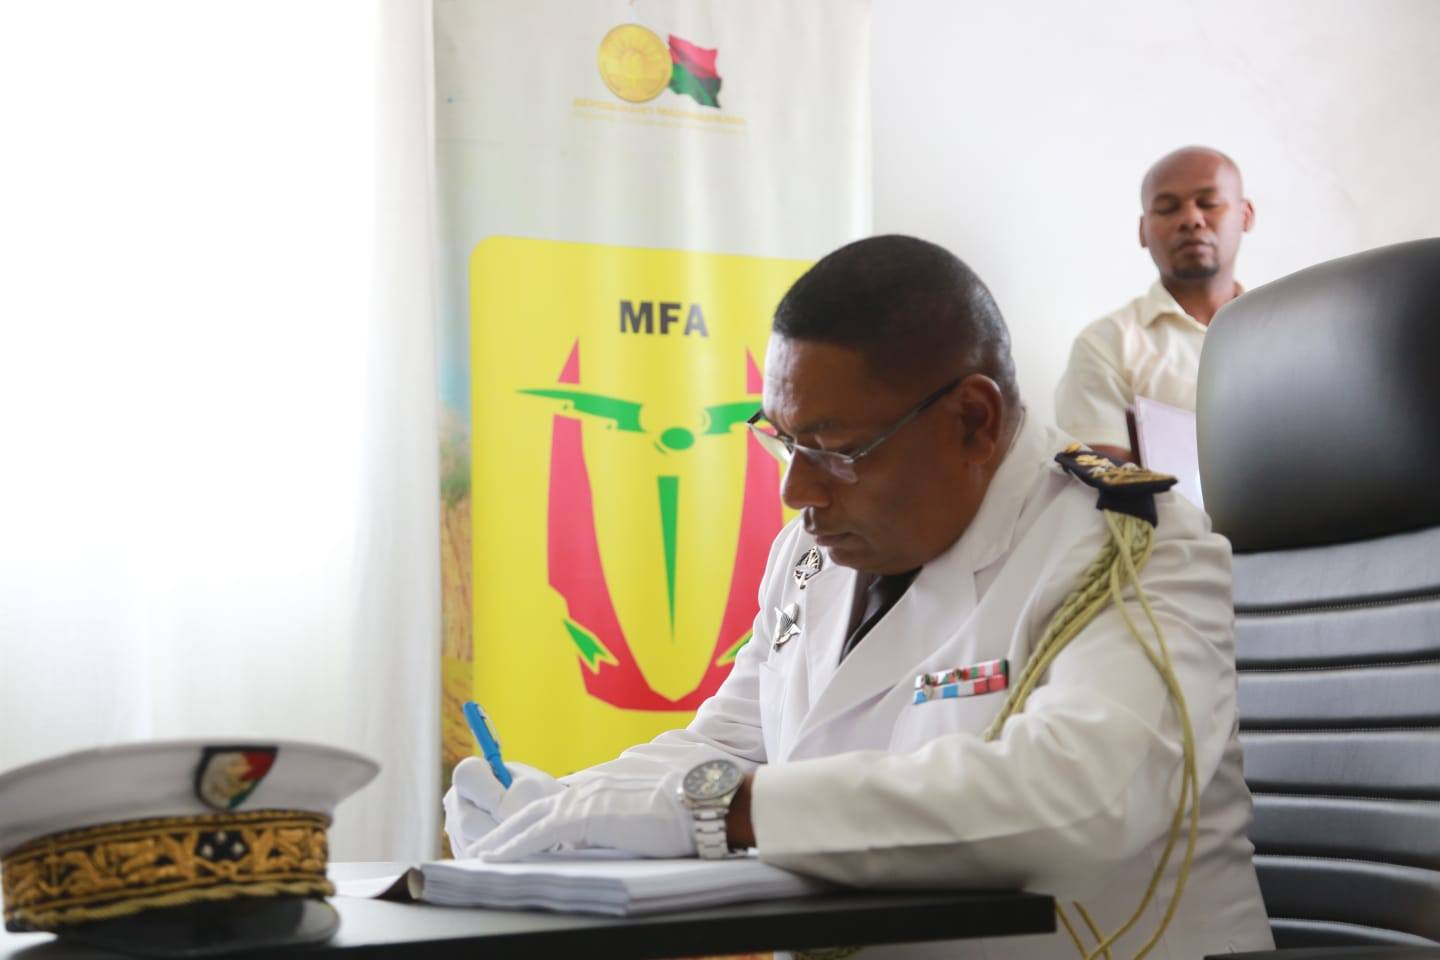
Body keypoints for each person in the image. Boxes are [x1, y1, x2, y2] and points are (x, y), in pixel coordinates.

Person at [445, 235, 1273, 958]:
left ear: (973, 421)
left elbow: (1078, 801)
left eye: (835, 449)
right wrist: (562, 811)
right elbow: (730, 746)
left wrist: (722, 811)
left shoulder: (1131, 547)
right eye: (784, 441)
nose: (796, 492)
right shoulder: (816, 553)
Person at [1055, 146, 1255, 462]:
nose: (1191, 219)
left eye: (1208, 203)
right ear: (1142, 231)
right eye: (1167, 208)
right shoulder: (1106, 345)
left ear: (1245, 215)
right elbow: (1107, 483)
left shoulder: (1290, 333)